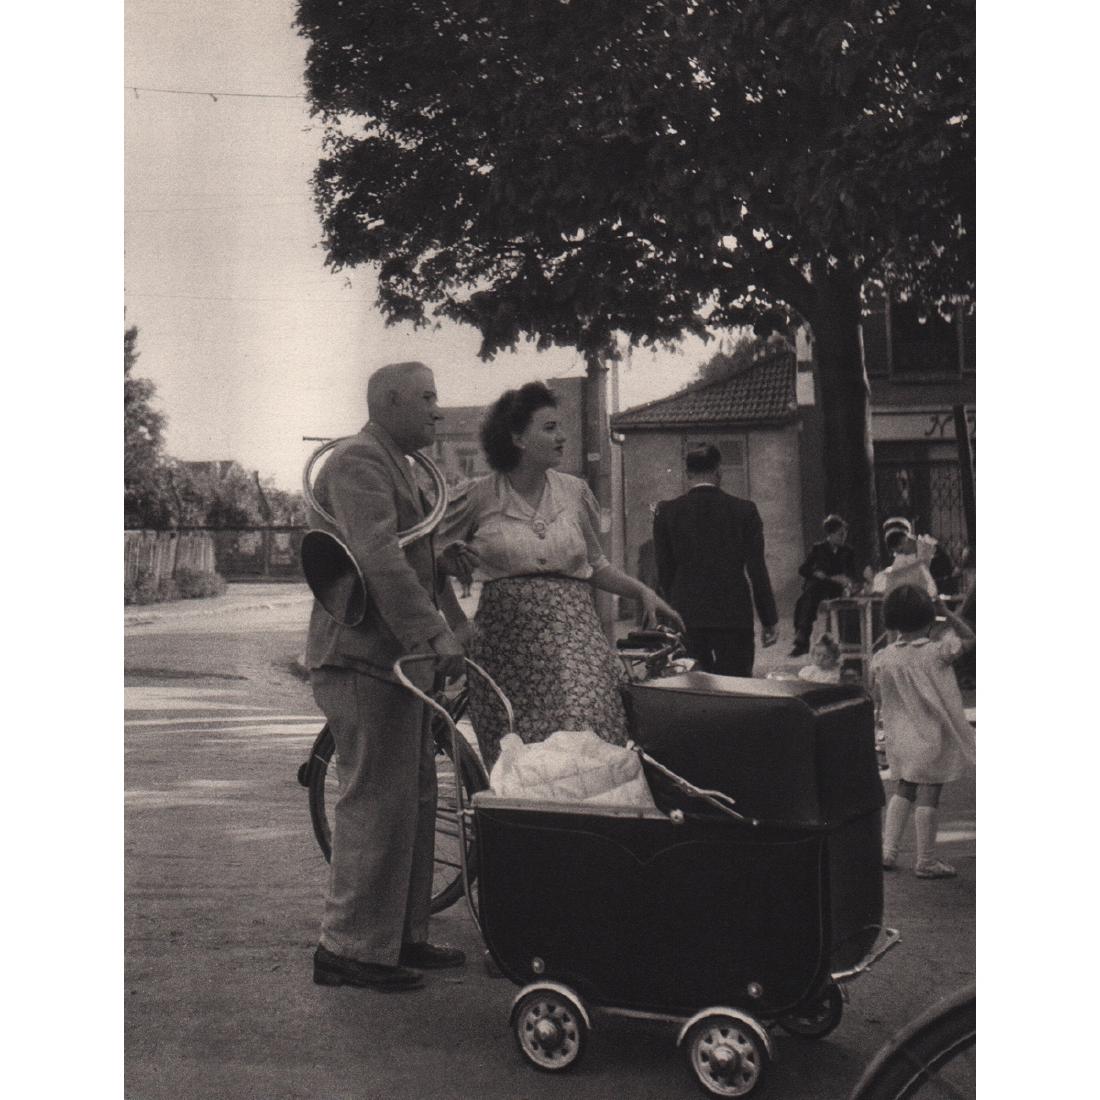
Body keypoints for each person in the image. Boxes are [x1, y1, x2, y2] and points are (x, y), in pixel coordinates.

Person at [305, 361, 468, 992]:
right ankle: (347, 948)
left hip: (392, 660)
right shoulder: (358, 462)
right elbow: (376, 557)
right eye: (427, 398)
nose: (438, 409)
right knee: (376, 801)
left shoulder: (394, 463)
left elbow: (409, 551)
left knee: (414, 798)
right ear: (391, 402)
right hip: (362, 656)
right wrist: (432, 633)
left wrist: (445, 565)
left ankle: (399, 936)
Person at [441, 382, 683, 772]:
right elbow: (432, 562)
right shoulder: (479, 496)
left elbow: (596, 564)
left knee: (588, 727)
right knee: (523, 758)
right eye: (550, 427)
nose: (562, 437)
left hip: (575, 637)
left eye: (561, 427)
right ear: (517, 438)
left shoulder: (574, 492)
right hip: (507, 648)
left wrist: (642, 593)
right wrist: (457, 624)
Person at [871, 584, 976, 879]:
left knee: (903, 789)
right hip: (932, 737)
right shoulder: (938, 652)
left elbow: (878, 694)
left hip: (901, 738)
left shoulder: (884, 658)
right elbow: (971, 638)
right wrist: (948, 613)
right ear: (929, 617)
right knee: (930, 794)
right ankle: (926, 860)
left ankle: (888, 850)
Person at [652, 444, 778, 676]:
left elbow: (665, 572)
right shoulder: (745, 511)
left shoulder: (667, 513)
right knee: (736, 689)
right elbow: (757, 570)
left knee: (692, 690)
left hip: (686, 617)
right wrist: (769, 619)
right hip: (733, 617)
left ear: (687, 473)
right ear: (719, 471)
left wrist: (673, 610)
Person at [789, 514, 859, 657]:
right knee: (808, 595)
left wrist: (848, 581)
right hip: (821, 586)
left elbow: (853, 574)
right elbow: (803, 569)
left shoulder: (848, 551)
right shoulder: (818, 549)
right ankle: (802, 640)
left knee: (813, 594)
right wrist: (816, 573)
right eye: (840, 534)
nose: (843, 537)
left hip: (838, 589)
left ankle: (845, 642)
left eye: (845, 534)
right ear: (831, 534)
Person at [870, 517, 939, 598]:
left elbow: (926, 572)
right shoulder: (901, 556)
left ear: (905, 539)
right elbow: (895, 573)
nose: (902, 553)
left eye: (901, 549)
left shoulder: (928, 548)